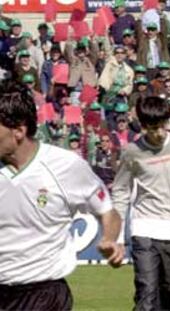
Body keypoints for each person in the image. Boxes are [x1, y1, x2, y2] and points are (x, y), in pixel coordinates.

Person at [0, 83, 124, 310]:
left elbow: (107, 210)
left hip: (42, 295)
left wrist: (109, 239)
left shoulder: (65, 166)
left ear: (18, 130)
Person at [111, 96, 170, 311]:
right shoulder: (132, 151)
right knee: (146, 294)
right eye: (152, 128)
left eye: (162, 126)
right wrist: (117, 237)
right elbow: (120, 192)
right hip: (144, 228)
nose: (158, 133)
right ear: (143, 126)